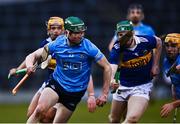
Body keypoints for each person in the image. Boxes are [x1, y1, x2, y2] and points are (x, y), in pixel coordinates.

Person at [9, 16, 97, 122]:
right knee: (31, 113)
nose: (56, 31)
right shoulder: (47, 44)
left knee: (48, 117)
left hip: (65, 86)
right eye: (53, 28)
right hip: (50, 83)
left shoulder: (73, 46)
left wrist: (91, 94)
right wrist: (19, 69)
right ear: (48, 30)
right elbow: (34, 57)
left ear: (65, 30)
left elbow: (83, 71)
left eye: (59, 28)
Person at [25, 16, 112, 123]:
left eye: (82, 32)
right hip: (56, 85)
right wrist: (29, 65)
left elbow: (107, 67)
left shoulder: (89, 47)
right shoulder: (57, 44)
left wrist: (104, 94)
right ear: (67, 32)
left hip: (74, 93)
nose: (81, 35)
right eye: (77, 33)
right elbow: (33, 55)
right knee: (38, 111)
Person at [108, 20, 162, 123]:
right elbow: (113, 66)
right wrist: (112, 80)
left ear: (133, 33)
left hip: (142, 86)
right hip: (122, 86)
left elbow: (159, 42)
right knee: (114, 120)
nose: (123, 38)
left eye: (126, 34)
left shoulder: (145, 41)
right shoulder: (117, 48)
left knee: (132, 119)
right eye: (120, 35)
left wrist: (155, 65)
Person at [160, 33, 180, 118]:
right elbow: (174, 80)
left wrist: (173, 105)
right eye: (167, 46)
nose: (169, 49)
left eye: (173, 46)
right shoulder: (166, 61)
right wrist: (174, 88)